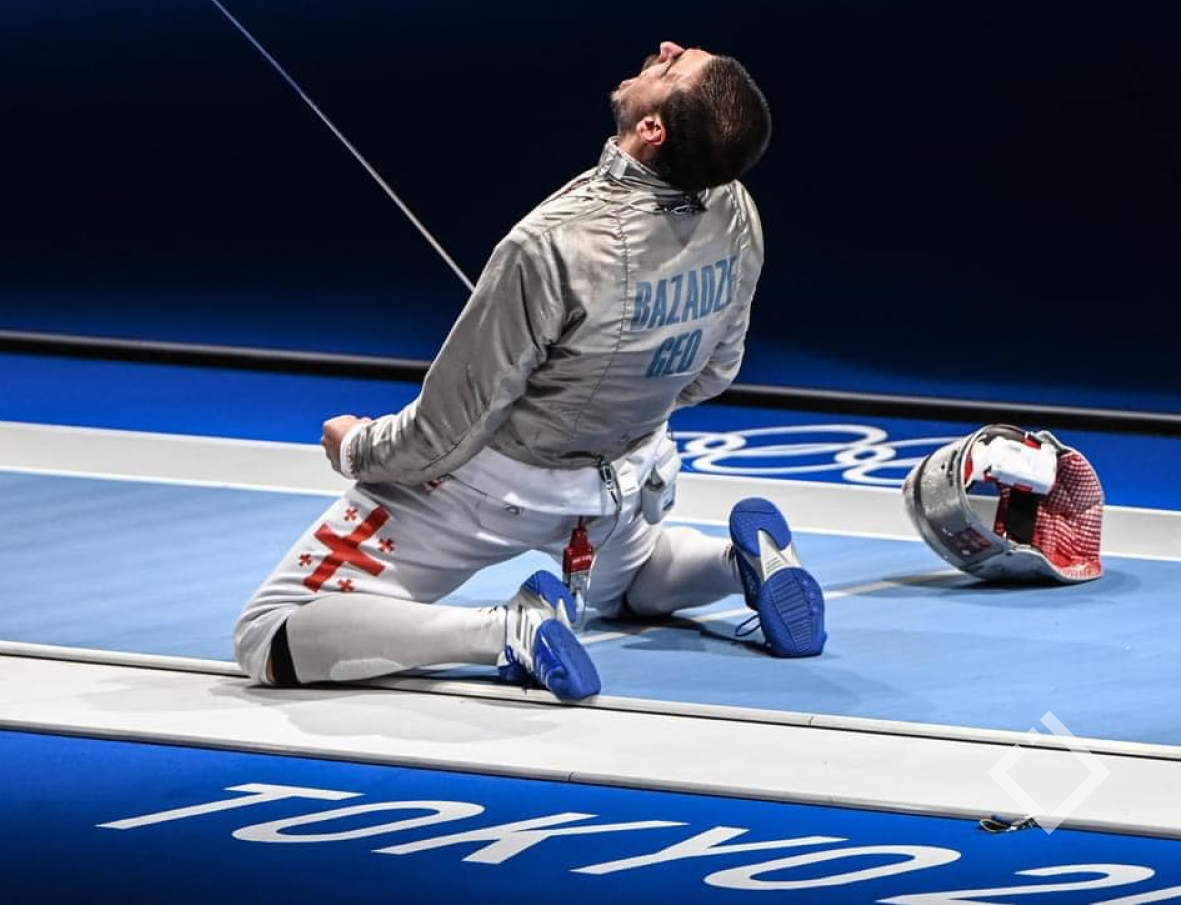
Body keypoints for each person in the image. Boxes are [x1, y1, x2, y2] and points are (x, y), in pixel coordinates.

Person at [233, 41, 827, 701]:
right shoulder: (736, 209)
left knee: (269, 632)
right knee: (627, 585)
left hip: (499, 491)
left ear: (653, 129)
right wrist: (620, 409)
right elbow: (715, 371)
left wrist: (357, 449)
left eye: (672, 66)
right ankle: (737, 564)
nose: (663, 50)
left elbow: (446, 432)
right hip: (628, 478)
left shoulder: (548, 243)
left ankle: (506, 630)